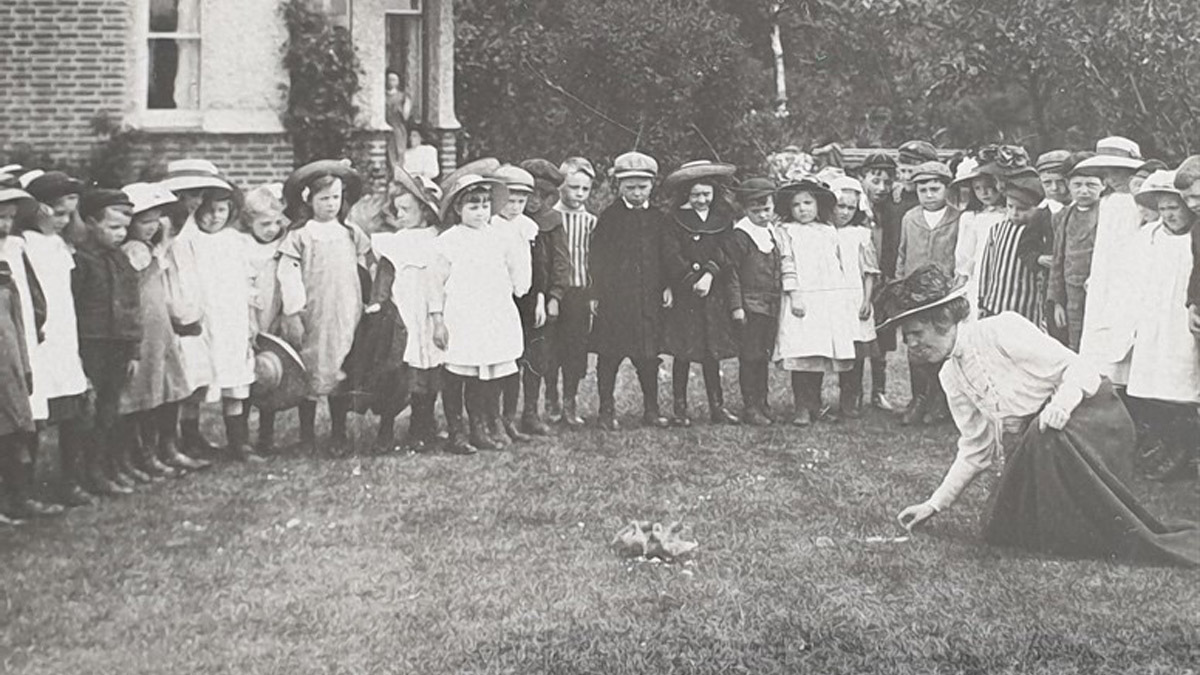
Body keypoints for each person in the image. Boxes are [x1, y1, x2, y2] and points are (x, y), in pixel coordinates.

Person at [888, 265, 1198, 567]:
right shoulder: (951, 377)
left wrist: (1061, 405)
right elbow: (975, 449)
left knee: (1044, 434)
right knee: (999, 530)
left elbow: (1081, 369)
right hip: (1044, 441)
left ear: (942, 320)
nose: (911, 345)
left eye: (916, 333)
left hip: (1093, 419)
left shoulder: (1000, 329)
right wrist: (934, 503)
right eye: (907, 338)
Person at [278, 160, 374, 456]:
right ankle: (306, 434)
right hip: (315, 311)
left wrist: (368, 299)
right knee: (312, 366)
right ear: (309, 199)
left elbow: (365, 265)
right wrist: (295, 309)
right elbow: (288, 272)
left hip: (346, 309)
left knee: (341, 366)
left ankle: (338, 433)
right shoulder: (301, 235)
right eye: (324, 199)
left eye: (335, 198)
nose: (331, 205)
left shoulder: (351, 232)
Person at [431, 174, 525, 453]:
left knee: (487, 370)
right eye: (473, 206)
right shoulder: (448, 241)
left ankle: (481, 426)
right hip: (461, 315)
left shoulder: (500, 237)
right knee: (459, 371)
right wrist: (438, 321)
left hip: (492, 312)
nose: (480, 212)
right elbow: (435, 284)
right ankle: (456, 432)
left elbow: (514, 270)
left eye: (485, 205)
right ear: (458, 209)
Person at [19, 171, 96, 506]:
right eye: (57, 212)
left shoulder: (61, 245)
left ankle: (70, 480)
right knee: (35, 415)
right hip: (38, 339)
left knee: (72, 412)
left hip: (64, 336)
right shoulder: (22, 244)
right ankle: (24, 488)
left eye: (69, 214)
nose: (63, 221)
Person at [1124, 171, 1200, 481]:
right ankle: (1168, 444)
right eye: (1164, 208)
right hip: (1157, 320)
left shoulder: (1193, 238)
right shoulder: (1153, 237)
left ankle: (1184, 452)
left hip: (1183, 322)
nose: (1170, 214)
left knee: (1183, 385)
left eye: (1176, 207)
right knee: (1155, 385)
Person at [117, 183, 193, 482]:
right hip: (141, 331)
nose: (150, 227)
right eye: (144, 221)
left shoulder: (154, 249)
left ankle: (165, 446)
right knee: (142, 393)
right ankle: (140, 454)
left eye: (155, 221)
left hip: (160, 327)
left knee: (167, 387)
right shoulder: (128, 252)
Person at [589, 151, 671, 431]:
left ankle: (651, 409)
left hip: (648, 299)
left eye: (642, 187)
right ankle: (606, 411)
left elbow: (667, 255)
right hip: (616, 300)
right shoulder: (610, 218)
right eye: (630, 187)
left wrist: (668, 286)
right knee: (610, 355)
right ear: (620, 187)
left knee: (648, 357)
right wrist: (596, 293)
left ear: (652, 186)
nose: (636, 193)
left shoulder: (659, 218)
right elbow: (596, 257)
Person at [366, 171, 445, 453]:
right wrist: (379, 301)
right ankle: (386, 427)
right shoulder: (396, 242)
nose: (399, 215)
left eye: (406, 210)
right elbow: (385, 274)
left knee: (431, 369)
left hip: (432, 312)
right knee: (397, 371)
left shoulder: (438, 240)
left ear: (425, 211)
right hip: (402, 313)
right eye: (397, 209)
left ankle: (422, 426)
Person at [73, 189, 143, 496]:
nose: (120, 234)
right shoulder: (80, 262)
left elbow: (131, 305)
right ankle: (83, 473)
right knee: (85, 413)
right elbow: (71, 309)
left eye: (124, 228)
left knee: (110, 408)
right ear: (90, 222)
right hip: (91, 345)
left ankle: (106, 467)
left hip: (118, 344)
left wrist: (134, 349)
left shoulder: (121, 259)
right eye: (112, 227)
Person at [661, 160, 741, 427]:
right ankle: (680, 409)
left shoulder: (723, 219)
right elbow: (671, 255)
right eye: (695, 194)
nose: (701, 199)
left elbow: (727, 251)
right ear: (686, 195)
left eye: (706, 194)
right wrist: (690, 279)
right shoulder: (674, 220)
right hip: (686, 294)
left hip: (713, 292)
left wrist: (708, 275)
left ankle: (717, 407)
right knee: (683, 352)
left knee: (711, 351)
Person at [160, 159, 228, 467]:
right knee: (177, 379)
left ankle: (191, 433)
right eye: (189, 195)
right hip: (171, 307)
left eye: (200, 195)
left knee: (197, 375)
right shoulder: (166, 228)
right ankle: (168, 441)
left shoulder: (194, 229)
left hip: (194, 306)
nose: (196, 202)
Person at [0, 181, 62, 520]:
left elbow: (31, 296)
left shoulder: (16, 248)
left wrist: (35, 324)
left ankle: (22, 492)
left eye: (9, 217)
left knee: (25, 419)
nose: (4, 225)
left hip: (17, 341)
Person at [774, 177, 857, 426]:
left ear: (818, 205)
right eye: (796, 205)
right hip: (801, 296)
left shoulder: (827, 231)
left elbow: (836, 264)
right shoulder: (786, 232)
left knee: (820, 350)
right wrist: (794, 293)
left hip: (827, 299)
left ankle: (815, 403)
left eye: (808, 203)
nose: (803, 209)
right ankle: (801, 405)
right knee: (802, 350)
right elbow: (786, 262)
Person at [1075, 137, 1145, 394]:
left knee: (1126, 329)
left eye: (1118, 171)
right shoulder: (1108, 202)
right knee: (1101, 330)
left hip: (1132, 276)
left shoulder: (1140, 203)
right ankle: (1104, 388)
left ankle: (1131, 391)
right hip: (1106, 276)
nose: (1112, 177)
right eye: (1107, 172)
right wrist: (1096, 275)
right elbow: (1103, 248)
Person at [895, 160, 960, 426]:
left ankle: (941, 400)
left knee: (943, 346)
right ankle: (918, 397)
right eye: (923, 190)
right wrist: (900, 285)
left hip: (944, 294)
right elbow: (902, 253)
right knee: (917, 346)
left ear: (946, 189)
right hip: (914, 296)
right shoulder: (910, 218)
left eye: (935, 188)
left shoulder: (958, 218)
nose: (929, 195)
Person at [517, 158, 570, 435]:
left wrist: (555, 297)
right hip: (514, 299)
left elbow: (561, 263)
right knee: (512, 356)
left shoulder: (552, 222)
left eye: (542, 195)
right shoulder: (511, 220)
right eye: (528, 195)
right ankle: (504, 415)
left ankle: (530, 412)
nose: (533, 202)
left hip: (541, 300)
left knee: (537, 357)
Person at [545, 156, 597, 427]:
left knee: (575, 350)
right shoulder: (550, 218)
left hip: (579, 293)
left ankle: (570, 400)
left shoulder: (590, 221)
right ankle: (551, 397)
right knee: (551, 348)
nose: (579, 194)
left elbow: (595, 260)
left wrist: (593, 295)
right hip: (555, 294)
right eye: (573, 187)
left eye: (585, 189)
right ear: (561, 187)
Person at [725, 177, 782, 425]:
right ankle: (751, 406)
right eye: (755, 211)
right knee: (750, 355)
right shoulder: (741, 234)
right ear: (746, 210)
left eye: (766, 209)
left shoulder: (772, 232)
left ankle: (763, 401)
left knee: (763, 354)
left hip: (770, 304)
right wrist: (737, 306)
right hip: (750, 305)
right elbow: (732, 273)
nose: (762, 215)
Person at [239, 184, 289, 454]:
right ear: (249, 222)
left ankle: (266, 435)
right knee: (247, 374)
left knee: (272, 372)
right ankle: (241, 434)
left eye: (276, 222)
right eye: (264, 224)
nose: (271, 229)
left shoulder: (281, 246)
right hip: (249, 315)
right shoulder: (242, 247)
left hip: (274, 313)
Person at [490, 165, 537, 445]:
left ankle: (510, 417)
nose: (515, 207)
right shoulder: (492, 227)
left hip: (523, 299)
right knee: (497, 361)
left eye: (521, 201)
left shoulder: (527, 227)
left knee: (517, 361)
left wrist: (537, 296)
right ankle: (492, 417)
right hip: (497, 299)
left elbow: (535, 267)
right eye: (509, 201)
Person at [829, 176, 880, 418]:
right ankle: (816, 398)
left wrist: (866, 300)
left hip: (854, 297)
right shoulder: (823, 232)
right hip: (829, 298)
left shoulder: (861, 234)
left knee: (856, 348)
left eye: (851, 207)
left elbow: (869, 271)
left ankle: (852, 396)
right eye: (841, 206)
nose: (845, 212)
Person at [975, 168, 1051, 325]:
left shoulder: (1040, 232)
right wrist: (982, 300)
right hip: (994, 304)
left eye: (1022, 209)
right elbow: (986, 266)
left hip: (1026, 308)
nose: (1015, 213)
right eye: (1010, 207)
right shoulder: (996, 229)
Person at [1047, 155, 1104, 350]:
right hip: (1071, 293)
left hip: (1101, 290)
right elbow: (1057, 261)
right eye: (1077, 184)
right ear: (1068, 186)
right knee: (1075, 341)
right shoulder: (1062, 217)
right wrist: (1057, 302)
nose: (1084, 190)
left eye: (1091, 185)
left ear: (1103, 186)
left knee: (1099, 340)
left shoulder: (1108, 213)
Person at [859, 151, 900, 410]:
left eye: (887, 181)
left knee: (881, 335)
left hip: (884, 278)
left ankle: (878, 390)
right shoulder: (851, 205)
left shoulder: (892, 208)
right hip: (857, 279)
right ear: (862, 178)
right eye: (876, 180)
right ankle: (850, 393)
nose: (882, 188)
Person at [948, 156, 1006, 319]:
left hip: (1001, 269)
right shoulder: (970, 217)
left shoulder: (1007, 215)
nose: (984, 193)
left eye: (989, 187)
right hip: (978, 272)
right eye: (978, 188)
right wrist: (962, 276)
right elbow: (965, 253)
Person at [385, 70, 413, 180]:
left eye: (394, 79)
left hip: (398, 129)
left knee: (399, 152)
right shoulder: (383, 96)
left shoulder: (402, 96)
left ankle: (398, 177)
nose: (391, 82)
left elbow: (405, 116)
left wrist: (406, 105)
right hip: (387, 127)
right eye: (389, 79)